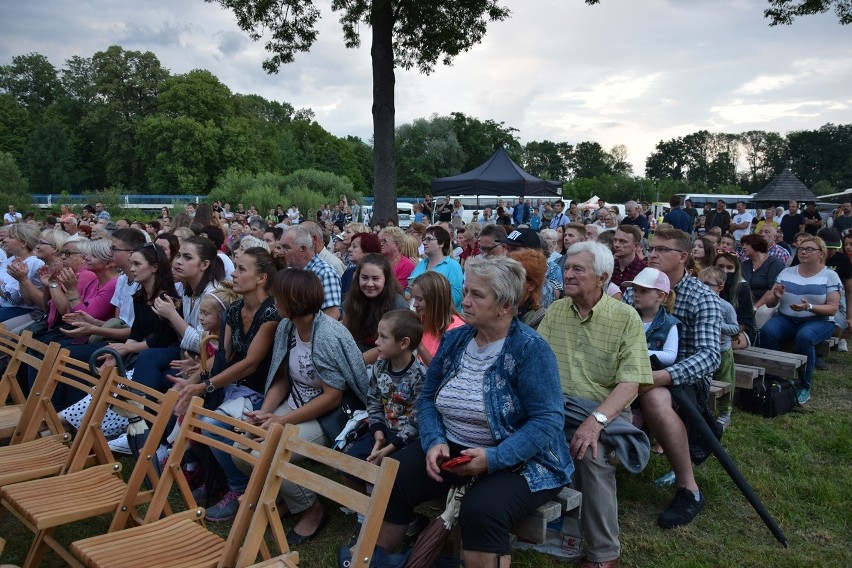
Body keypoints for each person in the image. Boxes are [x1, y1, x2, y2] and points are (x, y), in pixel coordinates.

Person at [375, 256, 573, 568]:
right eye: (465, 291)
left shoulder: (530, 349)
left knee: (482, 509)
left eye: (476, 295)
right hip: (454, 447)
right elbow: (427, 399)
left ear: (505, 306)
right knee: (394, 475)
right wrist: (434, 440)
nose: (465, 301)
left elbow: (548, 420)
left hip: (520, 459)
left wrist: (493, 459)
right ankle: (377, 560)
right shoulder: (456, 339)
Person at [538, 242, 652, 568]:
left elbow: (631, 381)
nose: (568, 274)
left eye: (578, 269)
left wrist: (596, 421)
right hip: (557, 406)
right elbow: (537, 361)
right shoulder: (557, 310)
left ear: (602, 277)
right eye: (567, 267)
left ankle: (604, 554)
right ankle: (522, 530)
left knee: (589, 452)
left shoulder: (624, 317)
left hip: (604, 409)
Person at [239, 269, 370, 544]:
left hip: (327, 415)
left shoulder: (327, 336)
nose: (273, 300)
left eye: (278, 296)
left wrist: (282, 422)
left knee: (269, 451)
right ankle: (290, 497)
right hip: (295, 404)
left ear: (294, 301)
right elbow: (283, 378)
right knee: (241, 449)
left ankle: (312, 508)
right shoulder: (287, 327)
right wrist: (266, 411)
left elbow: (333, 396)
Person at [169, 249, 280, 522]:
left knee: (213, 424)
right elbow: (224, 358)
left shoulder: (272, 313)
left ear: (262, 278)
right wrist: (192, 383)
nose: (233, 274)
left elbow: (251, 364)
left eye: (242, 269)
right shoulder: (234, 310)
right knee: (192, 414)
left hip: (260, 393)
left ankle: (239, 489)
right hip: (232, 386)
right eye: (236, 267)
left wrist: (203, 386)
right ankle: (212, 477)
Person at [622, 228, 722, 530]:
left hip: (685, 378)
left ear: (683, 257)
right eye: (651, 248)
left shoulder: (702, 296)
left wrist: (662, 376)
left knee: (653, 395)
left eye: (663, 249)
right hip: (633, 368)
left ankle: (688, 488)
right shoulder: (633, 291)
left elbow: (709, 356)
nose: (653, 254)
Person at [343, 309, 425, 499]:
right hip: (382, 431)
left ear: (404, 343)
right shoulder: (379, 367)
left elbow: (417, 422)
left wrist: (387, 449)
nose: (376, 342)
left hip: (406, 441)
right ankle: (364, 511)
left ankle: (399, 518)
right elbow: (373, 402)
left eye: (383, 337)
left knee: (390, 481)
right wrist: (378, 435)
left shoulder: (420, 376)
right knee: (348, 465)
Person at [131, 236, 225, 393]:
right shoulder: (184, 289)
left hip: (209, 359)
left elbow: (205, 344)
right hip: (187, 353)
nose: (178, 261)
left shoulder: (213, 295)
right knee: (152, 361)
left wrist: (172, 316)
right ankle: (138, 411)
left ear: (204, 264)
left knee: (155, 365)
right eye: (179, 255)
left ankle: (139, 412)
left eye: (187, 257)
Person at [758, 236, 840, 405]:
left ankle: (804, 385)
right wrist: (776, 296)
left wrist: (809, 307)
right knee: (768, 332)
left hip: (819, 320)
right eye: (802, 248)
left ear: (821, 254)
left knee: (804, 337)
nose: (803, 251)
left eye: (810, 249)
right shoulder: (787, 272)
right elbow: (771, 302)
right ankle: (777, 376)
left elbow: (833, 308)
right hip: (787, 318)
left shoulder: (830, 275)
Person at [342, 254, 409, 362]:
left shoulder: (397, 305)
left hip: (385, 363)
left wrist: (357, 362)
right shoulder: (351, 302)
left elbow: (396, 346)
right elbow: (346, 338)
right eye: (364, 278)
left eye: (375, 278)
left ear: (386, 279)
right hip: (354, 358)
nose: (369, 284)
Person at [697, 266, 739, 431]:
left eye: (708, 284)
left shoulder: (725, 307)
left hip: (722, 351)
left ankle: (724, 413)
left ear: (720, 287)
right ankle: (703, 408)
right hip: (703, 350)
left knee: (726, 380)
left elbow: (735, 329)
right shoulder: (697, 303)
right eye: (699, 283)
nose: (702, 287)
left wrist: (718, 325)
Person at [280, 225, 342, 320]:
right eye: (280, 247)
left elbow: (332, 315)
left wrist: (310, 334)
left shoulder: (325, 273)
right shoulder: (289, 270)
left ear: (303, 249)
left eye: (286, 247)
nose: (281, 252)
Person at [624, 267, 679, 367]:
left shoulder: (670, 324)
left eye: (644, 291)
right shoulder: (626, 317)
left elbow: (670, 356)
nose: (636, 295)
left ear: (660, 296)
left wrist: (636, 352)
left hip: (652, 377)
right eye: (635, 290)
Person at [410, 271, 464, 366]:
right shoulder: (423, 319)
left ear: (435, 300)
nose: (414, 304)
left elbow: (439, 373)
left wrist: (419, 345)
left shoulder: (456, 330)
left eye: (419, 299)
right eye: (414, 298)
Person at [410, 226, 464, 310]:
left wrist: (426, 297)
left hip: (444, 317)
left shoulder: (452, 265)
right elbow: (409, 290)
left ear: (441, 243)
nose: (424, 243)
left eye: (428, 239)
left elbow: (456, 298)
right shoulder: (421, 264)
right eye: (424, 239)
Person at [0, 223, 45, 322]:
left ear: (24, 243)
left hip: (21, 309)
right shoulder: (11, 259)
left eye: (10, 237)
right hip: (4, 305)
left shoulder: (34, 262)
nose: (4, 240)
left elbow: (13, 298)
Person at [508, 248, 548, 329]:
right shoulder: (497, 305)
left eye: (515, 277)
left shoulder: (540, 318)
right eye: (506, 275)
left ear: (531, 286)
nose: (507, 281)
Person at [341, 232, 380, 297]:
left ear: (368, 250)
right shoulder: (348, 272)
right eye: (351, 246)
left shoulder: (381, 273)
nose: (349, 249)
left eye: (354, 246)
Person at [611, 225, 646, 290]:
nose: (616, 245)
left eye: (623, 241)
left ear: (636, 246)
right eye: (615, 240)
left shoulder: (644, 270)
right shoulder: (609, 266)